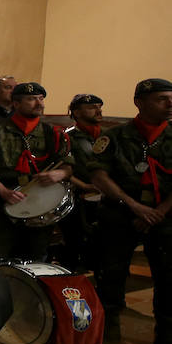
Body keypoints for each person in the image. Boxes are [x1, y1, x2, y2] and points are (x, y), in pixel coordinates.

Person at [88, 78, 172, 344]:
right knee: (111, 274)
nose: (169, 103)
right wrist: (136, 207)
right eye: (161, 98)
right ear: (139, 102)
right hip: (121, 215)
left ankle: (166, 337)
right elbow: (99, 175)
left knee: (167, 278)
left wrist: (157, 213)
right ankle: (107, 331)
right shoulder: (114, 136)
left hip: (164, 218)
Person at [0, 81, 73, 264]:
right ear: (16, 104)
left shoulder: (52, 132)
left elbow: (67, 167)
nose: (39, 104)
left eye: (41, 99)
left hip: (39, 198)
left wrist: (59, 174)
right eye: (31, 99)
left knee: (36, 256)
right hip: (3, 196)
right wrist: (3, 192)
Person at [59, 93, 105, 272]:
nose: (98, 110)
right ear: (76, 113)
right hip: (77, 194)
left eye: (99, 106)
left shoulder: (108, 136)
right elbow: (62, 166)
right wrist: (84, 186)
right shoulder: (67, 137)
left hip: (104, 195)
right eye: (92, 107)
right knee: (74, 240)